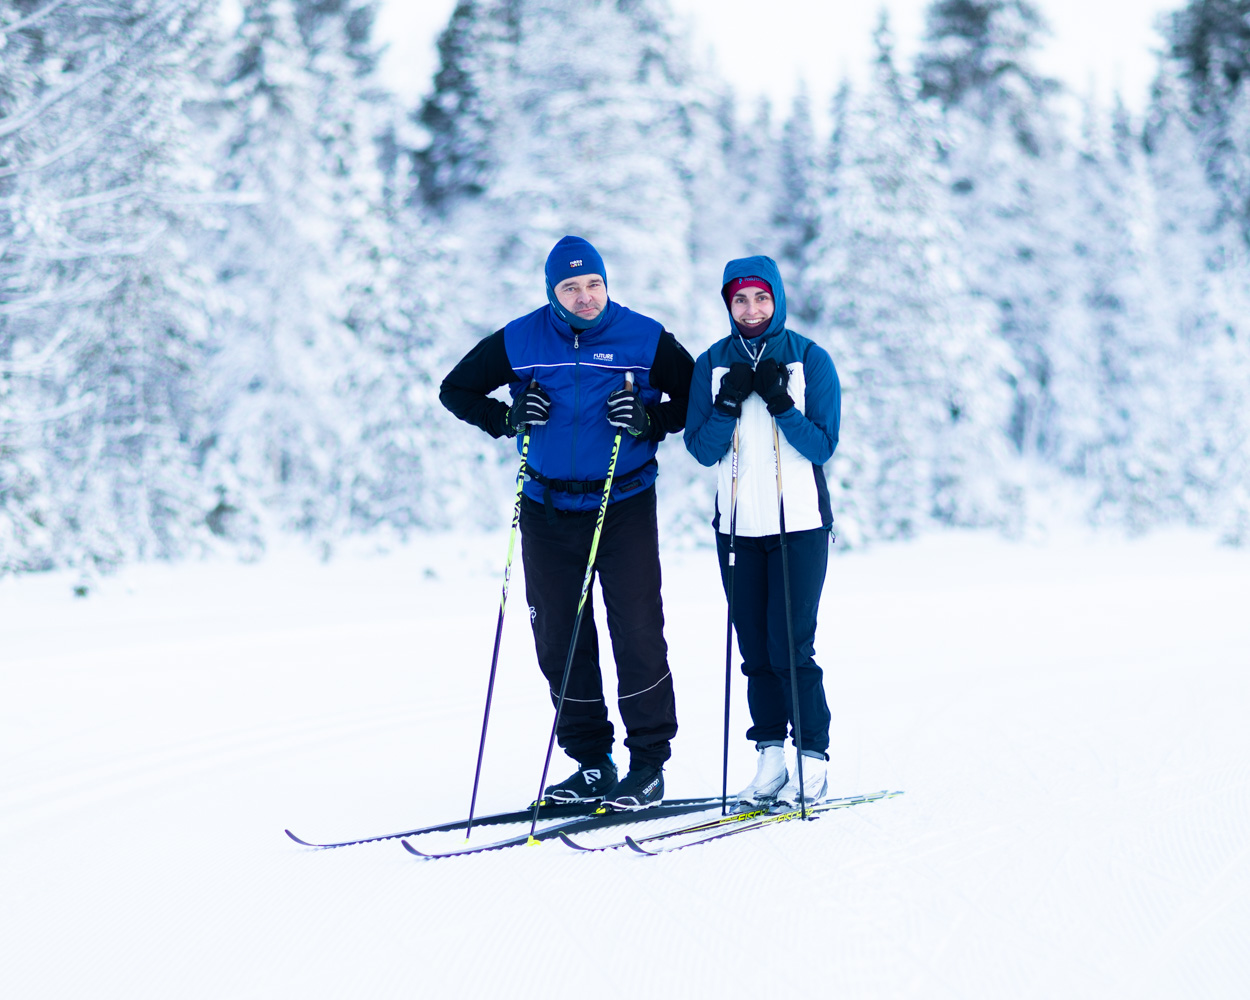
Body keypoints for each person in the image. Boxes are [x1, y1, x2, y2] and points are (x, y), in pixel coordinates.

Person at [439, 235, 694, 810]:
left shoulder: (644, 336)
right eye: (571, 288)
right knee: (559, 636)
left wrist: (652, 418)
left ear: (607, 283)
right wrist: (506, 418)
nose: (585, 298)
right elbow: (454, 389)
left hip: (623, 503)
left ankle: (648, 764)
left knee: (637, 631)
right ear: (552, 293)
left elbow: (694, 397)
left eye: (594, 285)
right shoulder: (520, 338)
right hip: (547, 510)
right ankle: (592, 763)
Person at [683, 255, 841, 809]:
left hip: (799, 526)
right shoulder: (710, 364)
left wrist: (779, 403)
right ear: (728, 304)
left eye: (761, 298)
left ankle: (813, 760)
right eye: (740, 300)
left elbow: (822, 445)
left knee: (791, 648)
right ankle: (770, 759)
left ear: (777, 299)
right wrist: (727, 402)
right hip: (735, 531)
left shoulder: (809, 358)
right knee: (754, 650)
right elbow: (701, 449)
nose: (751, 310)